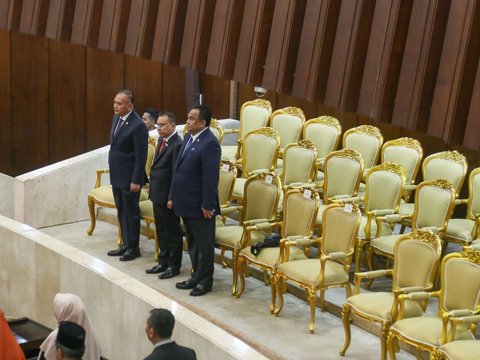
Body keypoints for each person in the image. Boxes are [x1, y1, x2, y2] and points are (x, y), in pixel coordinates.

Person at [170, 105, 221, 296]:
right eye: (188, 118)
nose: (188, 121)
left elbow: (210, 177)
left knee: (204, 244)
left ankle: (205, 281)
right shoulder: (189, 137)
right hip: (186, 201)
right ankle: (195, 275)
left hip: (201, 205)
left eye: (192, 119)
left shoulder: (210, 143)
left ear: (202, 122)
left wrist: (208, 204)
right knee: (192, 242)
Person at [107, 89, 148, 261]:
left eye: (119, 103)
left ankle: (133, 247)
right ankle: (125, 243)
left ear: (129, 105)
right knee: (121, 210)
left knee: (131, 212)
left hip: (130, 178)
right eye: (115, 102)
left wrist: (136, 180)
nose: (115, 106)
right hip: (117, 175)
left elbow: (141, 156)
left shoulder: (138, 125)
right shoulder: (117, 118)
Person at [145, 112, 183, 279]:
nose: (158, 128)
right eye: (157, 125)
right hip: (157, 193)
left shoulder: (177, 144)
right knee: (161, 230)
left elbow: (176, 173)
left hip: (168, 196)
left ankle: (174, 266)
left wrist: (172, 197)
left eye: (162, 125)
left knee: (172, 232)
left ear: (173, 126)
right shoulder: (162, 140)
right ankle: (163, 261)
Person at [38, 293, 102, 360]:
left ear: (60, 353)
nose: (55, 314)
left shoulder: (57, 337)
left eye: (57, 310)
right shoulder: (92, 337)